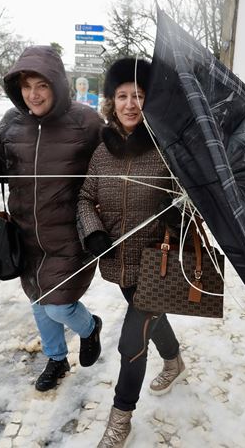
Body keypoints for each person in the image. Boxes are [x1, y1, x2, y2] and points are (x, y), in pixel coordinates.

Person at [0, 46, 104, 392]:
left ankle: (90, 327)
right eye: (26, 87)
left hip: (70, 234)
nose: (33, 95)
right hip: (25, 232)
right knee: (39, 301)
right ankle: (56, 359)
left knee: (60, 305)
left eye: (41, 86)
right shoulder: (11, 121)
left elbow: (108, 170)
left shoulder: (86, 122)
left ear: (56, 84)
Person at [77, 58, 187, 448]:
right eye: (122, 95)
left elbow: (186, 203)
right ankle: (174, 360)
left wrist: (180, 209)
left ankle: (120, 417)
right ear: (111, 102)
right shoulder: (102, 152)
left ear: (148, 100)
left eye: (138, 95)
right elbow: (86, 198)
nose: (129, 104)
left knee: (130, 341)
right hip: (118, 263)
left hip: (157, 264)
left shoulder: (166, 149)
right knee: (150, 322)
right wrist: (92, 232)